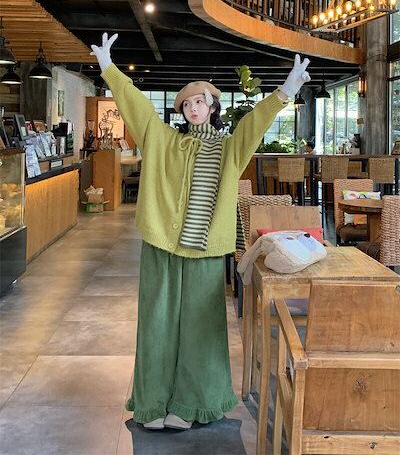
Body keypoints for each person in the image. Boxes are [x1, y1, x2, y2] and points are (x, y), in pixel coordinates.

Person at [90, 33, 311, 431]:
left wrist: (284, 92)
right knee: (156, 323)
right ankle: (153, 403)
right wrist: (109, 68)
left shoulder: (228, 147)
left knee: (200, 327)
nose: (193, 108)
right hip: (162, 244)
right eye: (187, 103)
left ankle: (193, 403)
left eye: (200, 102)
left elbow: (253, 125)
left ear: (212, 107)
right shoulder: (164, 140)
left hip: (205, 249)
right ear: (182, 110)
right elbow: (137, 107)